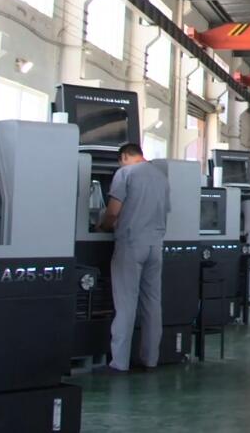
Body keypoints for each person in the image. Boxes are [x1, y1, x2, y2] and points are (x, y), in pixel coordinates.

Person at [99, 143, 170, 373]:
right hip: (155, 246)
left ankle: (119, 363)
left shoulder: (125, 173)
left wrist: (103, 226)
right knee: (152, 303)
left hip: (130, 244)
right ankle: (150, 359)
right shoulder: (161, 177)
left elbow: (113, 211)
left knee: (126, 304)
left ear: (124, 157)